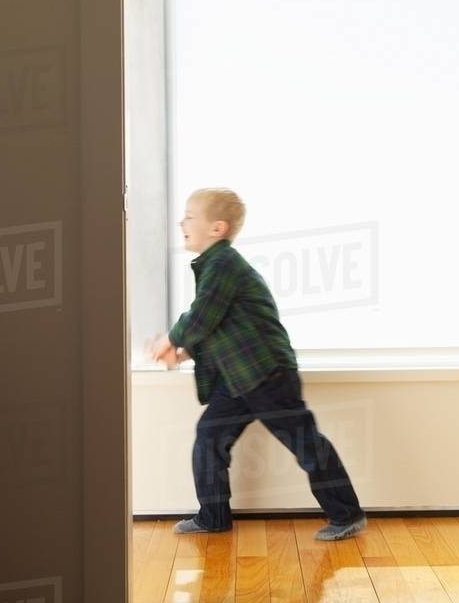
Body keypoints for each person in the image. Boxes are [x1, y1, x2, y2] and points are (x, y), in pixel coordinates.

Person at [148, 187, 367, 541]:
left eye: (190, 216)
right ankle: (213, 515)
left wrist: (169, 340)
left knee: (305, 442)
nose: (181, 222)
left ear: (217, 228)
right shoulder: (213, 267)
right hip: (237, 379)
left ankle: (347, 514)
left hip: (267, 375)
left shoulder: (223, 264)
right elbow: (216, 328)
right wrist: (184, 352)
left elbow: (201, 316)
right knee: (209, 438)